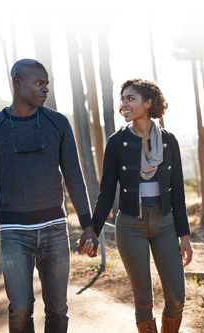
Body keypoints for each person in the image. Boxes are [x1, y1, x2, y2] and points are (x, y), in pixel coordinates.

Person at [0, 59, 98, 333]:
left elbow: (74, 175)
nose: (44, 89)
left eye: (46, 84)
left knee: (57, 309)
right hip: (14, 233)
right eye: (38, 83)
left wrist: (88, 225)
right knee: (21, 308)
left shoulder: (58, 123)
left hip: (54, 230)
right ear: (17, 83)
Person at [82, 79, 193, 333]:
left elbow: (178, 193)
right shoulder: (116, 142)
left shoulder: (169, 141)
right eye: (122, 99)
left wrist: (184, 236)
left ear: (148, 102)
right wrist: (92, 231)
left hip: (165, 223)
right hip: (130, 225)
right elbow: (106, 192)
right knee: (143, 299)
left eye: (130, 98)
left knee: (176, 296)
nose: (124, 104)